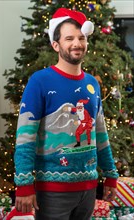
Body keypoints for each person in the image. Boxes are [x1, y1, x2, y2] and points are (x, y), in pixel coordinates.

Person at [14, 7, 119, 220]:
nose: (77, 43)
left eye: (81, 38)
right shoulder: (39, 81)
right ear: (56, 44)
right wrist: (24, 184)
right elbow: (25, 135)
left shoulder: (92, 84)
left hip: (88, 189)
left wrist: (111, 175)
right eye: (69, 38)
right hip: (52, 192)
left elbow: (100, 132)